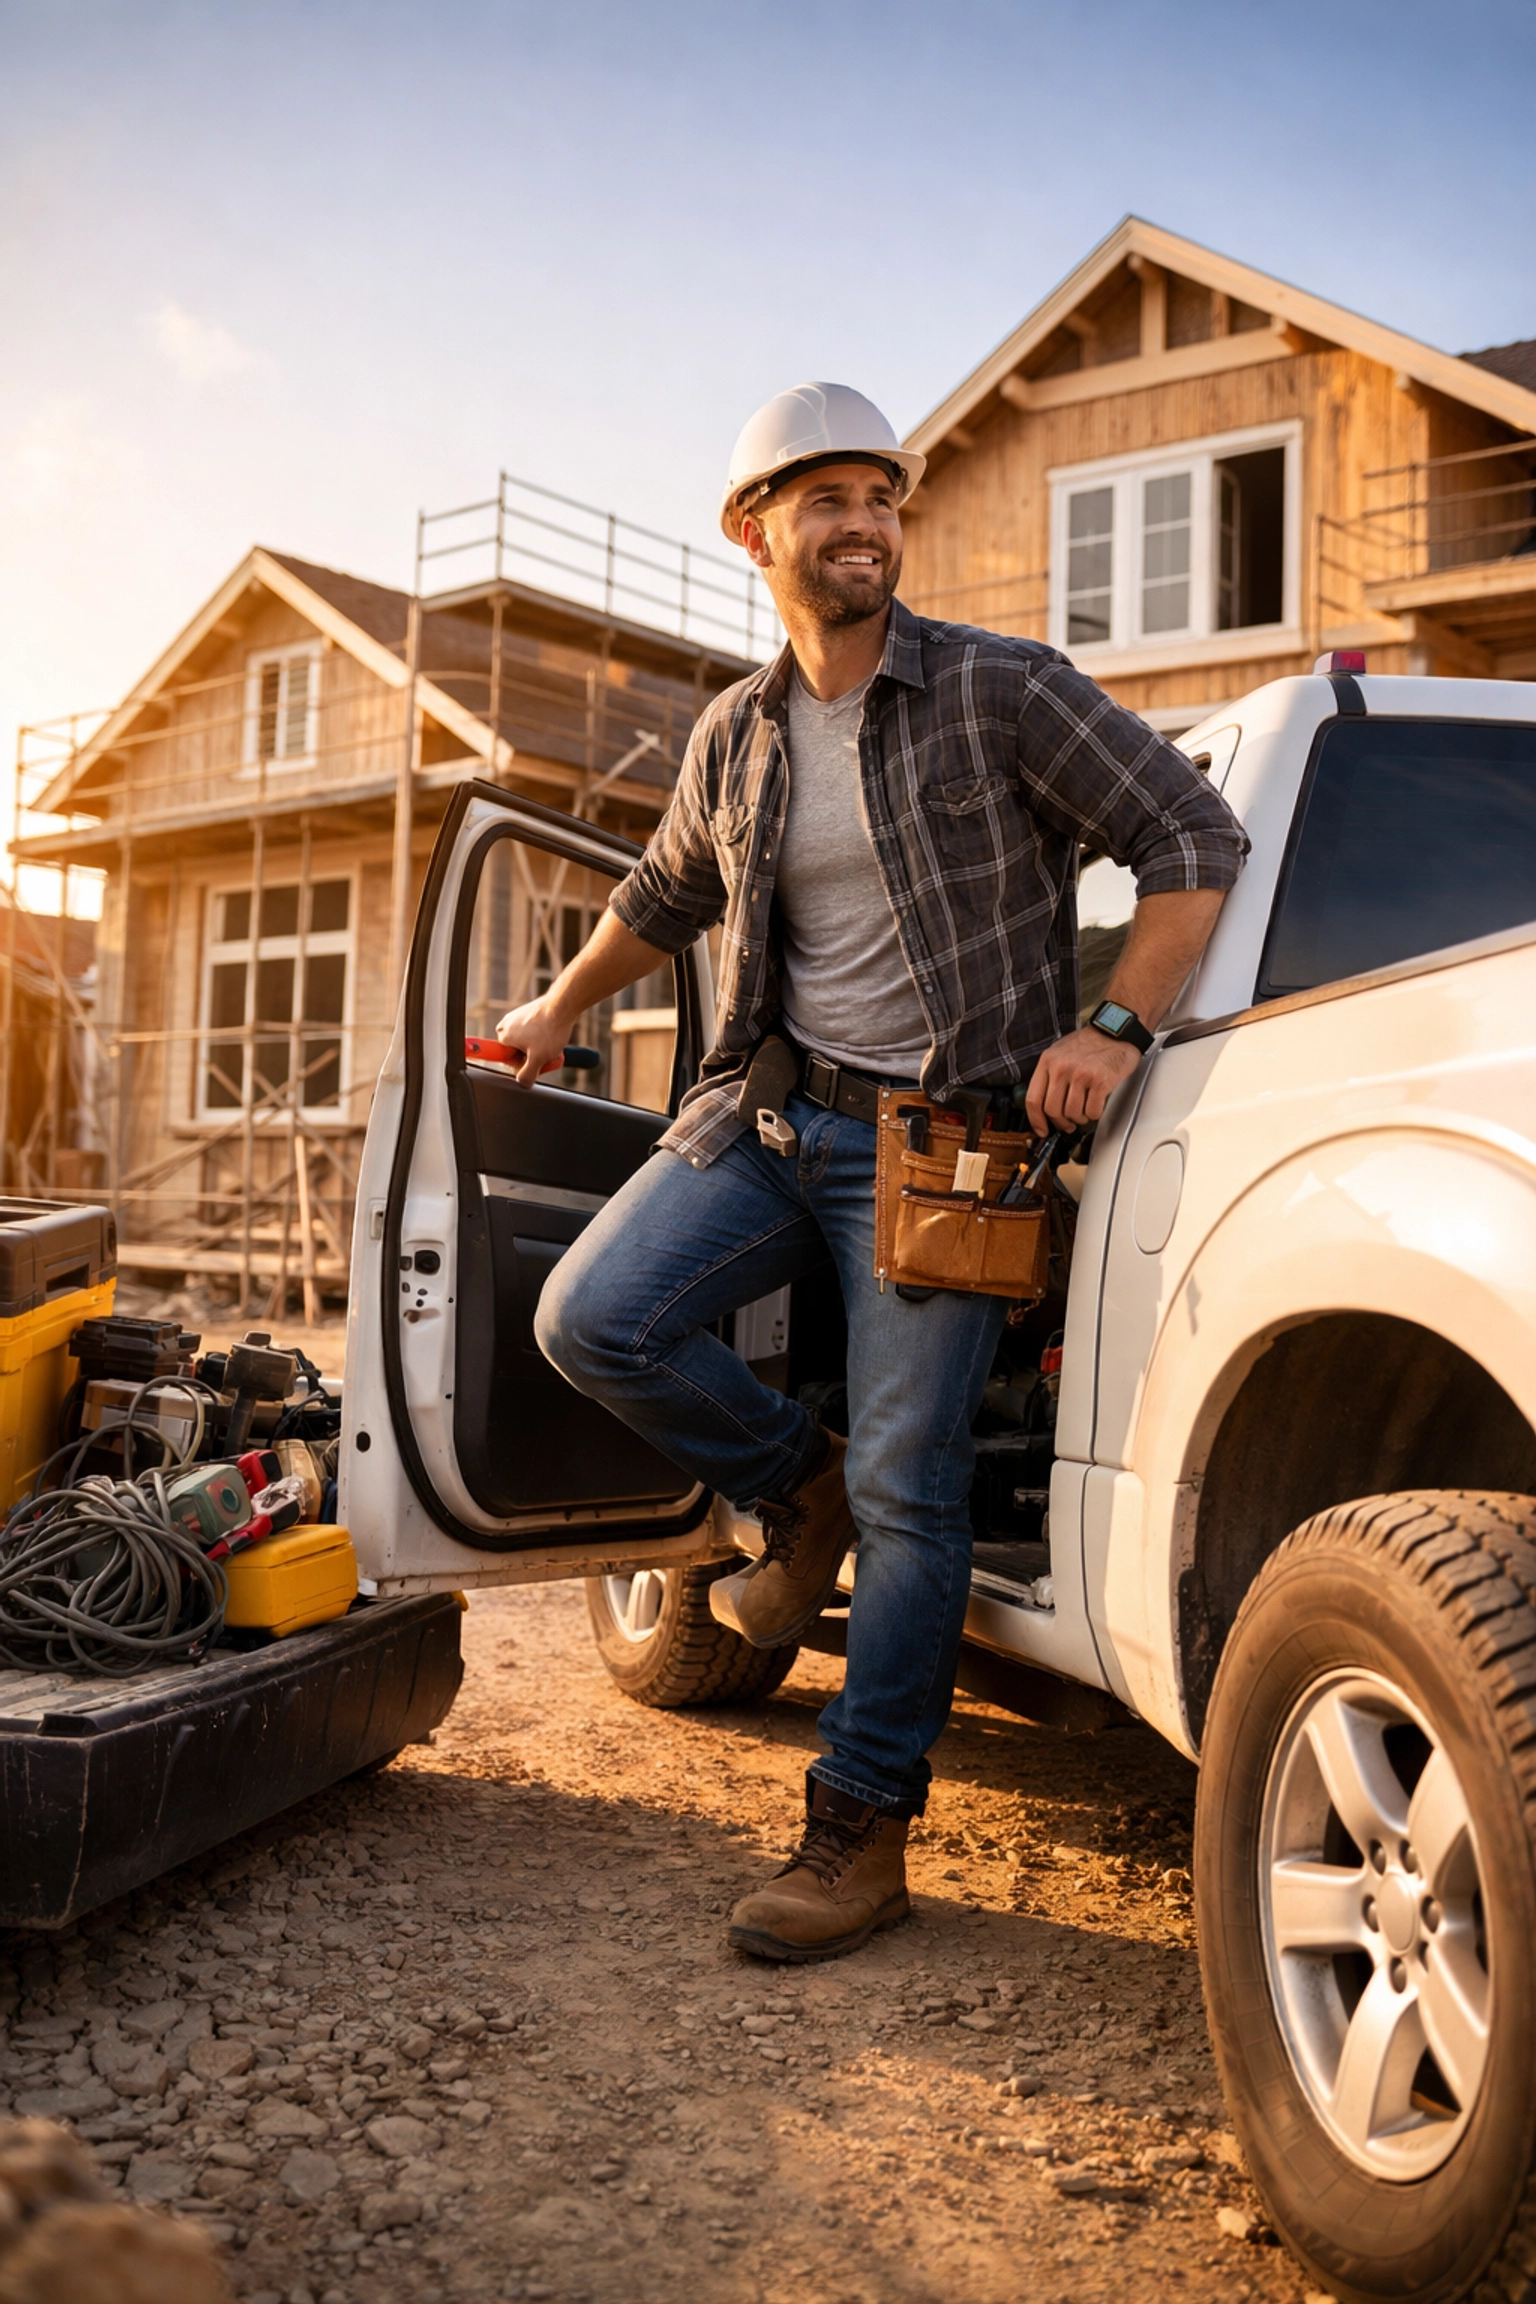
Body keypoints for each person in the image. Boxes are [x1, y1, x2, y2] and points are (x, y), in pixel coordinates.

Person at [498, 382, 1248, 1962]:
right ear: (754, 528)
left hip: (946, 1148)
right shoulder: (737, 731)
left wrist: (1115, 1024)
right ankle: (795, 1483)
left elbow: (1193, 835)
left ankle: (860, 1829)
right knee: (592, 1318)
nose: (864, 525)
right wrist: (559, 1008)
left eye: (882, 498)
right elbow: (664, 889)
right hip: (770, 1118)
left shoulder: (1003, 690)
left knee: (920, 1490)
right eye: (826, 498)